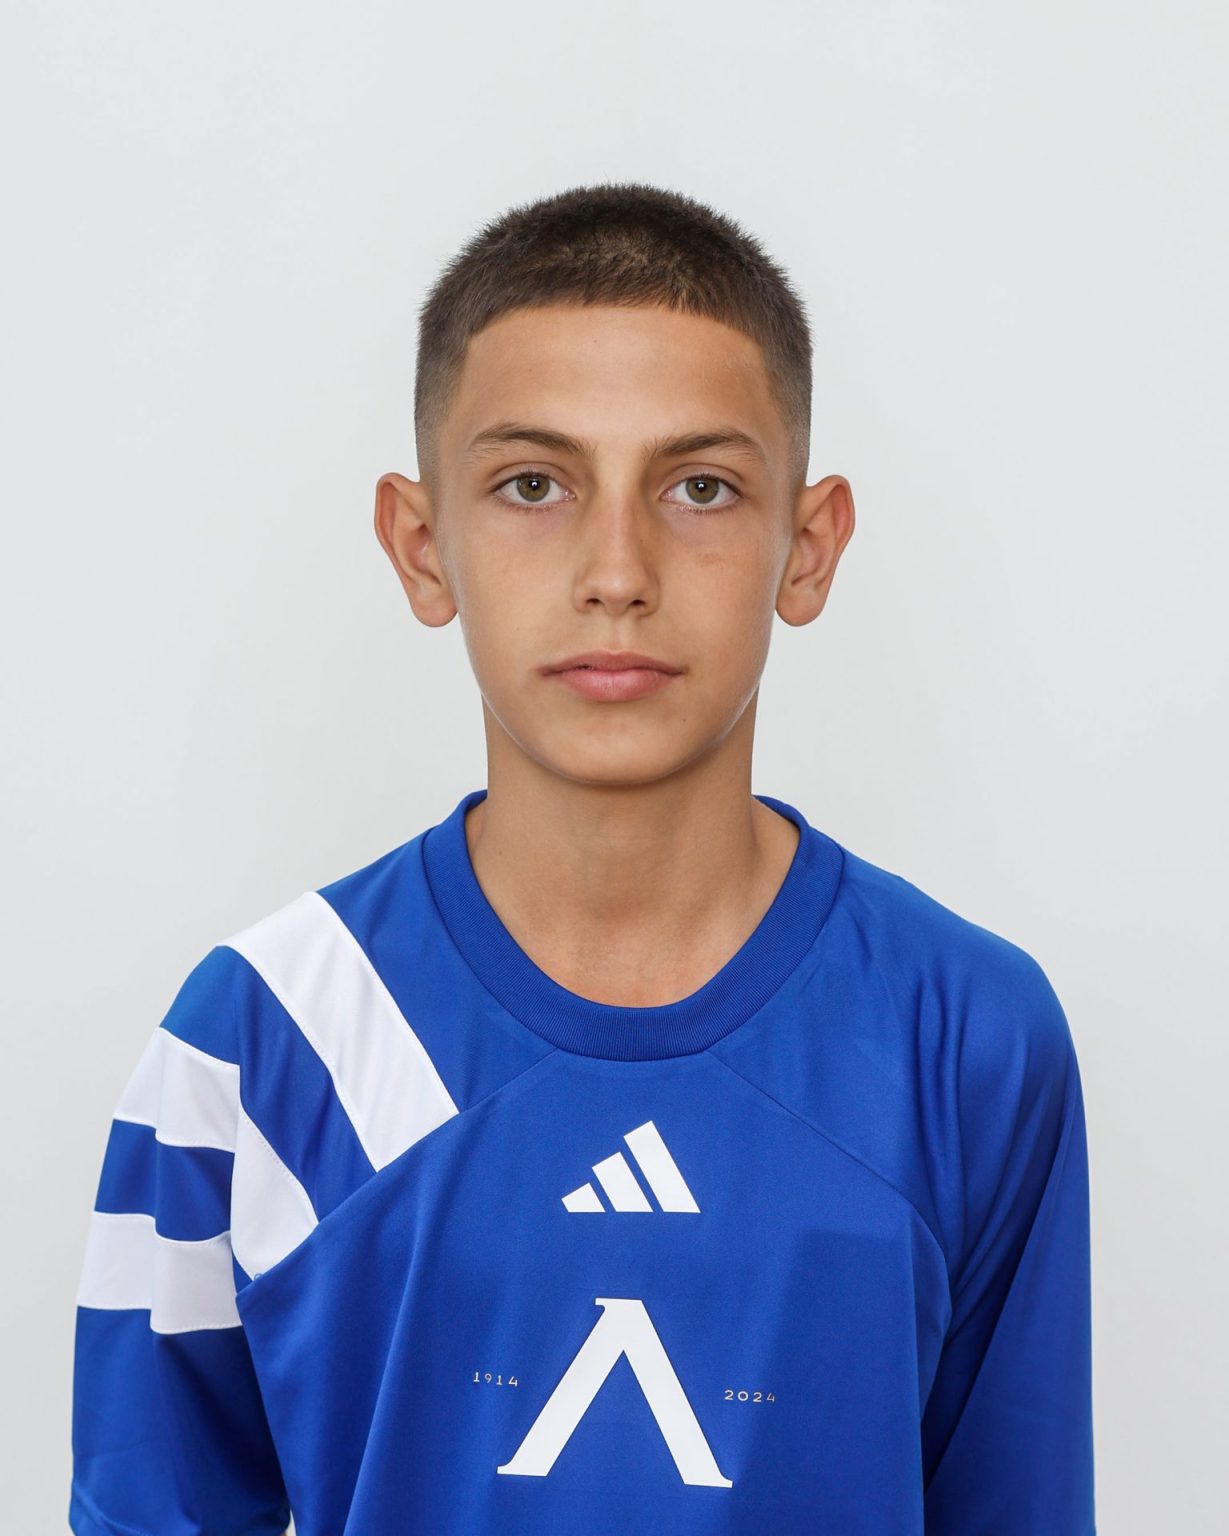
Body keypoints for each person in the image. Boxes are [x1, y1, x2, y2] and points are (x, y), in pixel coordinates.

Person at [68, 181, 1095, 1535]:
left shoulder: (963, 1035)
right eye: (534, 486)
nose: (618, 571)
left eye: (701, 487)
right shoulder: (262, 1042)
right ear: (421, 546)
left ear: (808, 547)